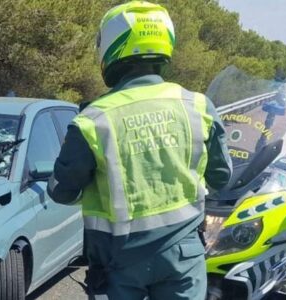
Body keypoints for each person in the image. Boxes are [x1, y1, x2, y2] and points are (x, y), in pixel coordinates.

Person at [47, 1, 232, 299]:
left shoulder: (93, 119)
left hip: (118, 262)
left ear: (110, 46)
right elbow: (222, 177)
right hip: (183, 257)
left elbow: (62, 192)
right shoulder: (198, 106)